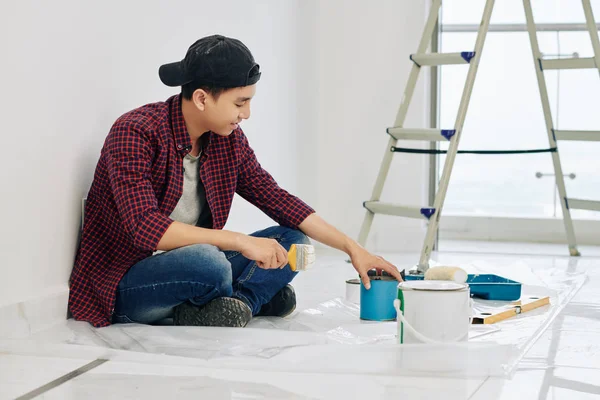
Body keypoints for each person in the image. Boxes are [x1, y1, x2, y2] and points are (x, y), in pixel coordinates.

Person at [68, 34, 402, 329]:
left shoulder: (227, 140)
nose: (246, 114)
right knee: (208, 262)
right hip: (126, 280)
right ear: (202, 98)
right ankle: (249, 296)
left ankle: (236, 305)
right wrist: (240, 241)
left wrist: (354, 249)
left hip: (193, 264)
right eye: (240, 102)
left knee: (293, 243)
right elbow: (145, 228)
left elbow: (278, 199)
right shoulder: (135, 132)